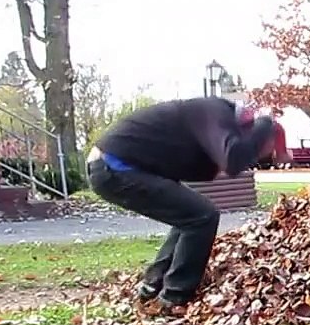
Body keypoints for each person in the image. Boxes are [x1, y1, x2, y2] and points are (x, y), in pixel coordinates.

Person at [86, 96, 290, 314]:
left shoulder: (210, 120)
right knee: (202, 215)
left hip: (116, 166)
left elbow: (228, 161)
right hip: (115, 166)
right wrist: (265, 126)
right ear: (245, 129)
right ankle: (174, 297)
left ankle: (153, 285)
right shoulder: (214, 111)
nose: (255, 157)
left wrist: (275, 145)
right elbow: (233, 160)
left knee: (190, 216)